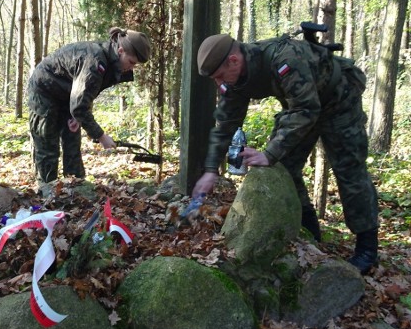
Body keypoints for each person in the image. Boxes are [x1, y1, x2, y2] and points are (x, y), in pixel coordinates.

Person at [191, 30, 380, 275]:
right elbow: (225, 124)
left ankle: (367, 249)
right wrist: (210, 170)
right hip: (301, 108)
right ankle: (309, 232)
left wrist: (269, 153)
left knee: (349, 170)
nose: (219, 83)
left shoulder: (284, 59)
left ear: (234, 61)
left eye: (219, 76)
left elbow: (307, 109)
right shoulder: (234, 78)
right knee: (285, 169)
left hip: (339, 102)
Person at [27, 27, 151, 188]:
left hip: (67, 95)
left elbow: (86, 94)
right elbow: (79, 105)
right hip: (43, 90)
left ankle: (76, 191)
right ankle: (46, 195)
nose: (132, 68)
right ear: (120, 51)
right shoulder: (96, 61)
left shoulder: (109, 62)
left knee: (72, 146)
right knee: (48, 149)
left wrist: (77, 117)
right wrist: (101, 136)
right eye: (131, 62)